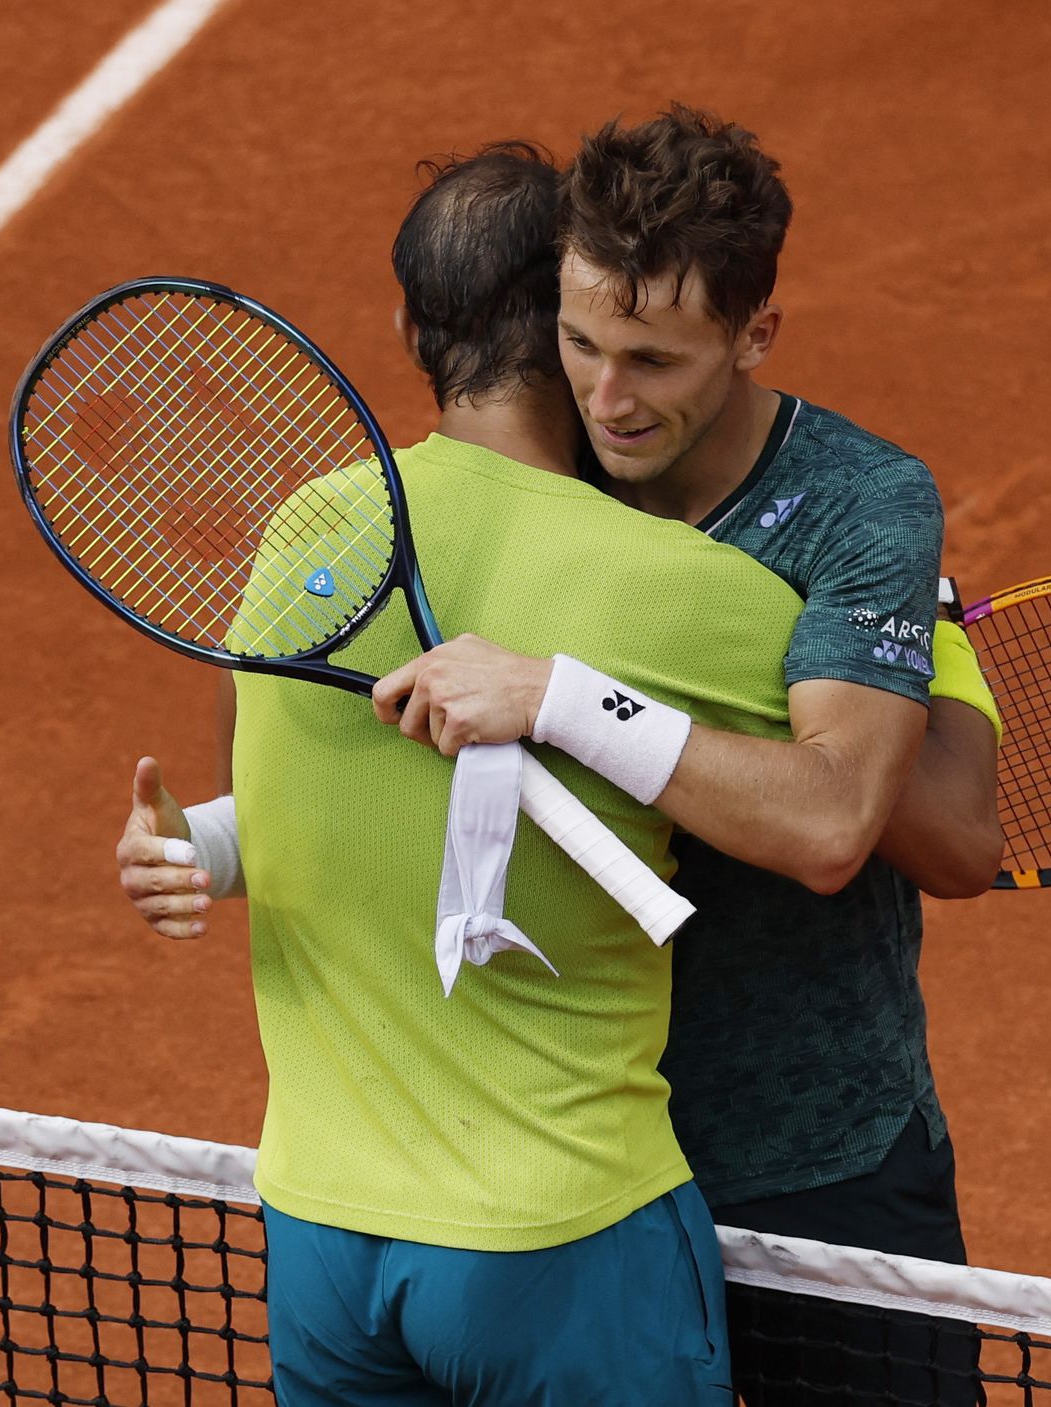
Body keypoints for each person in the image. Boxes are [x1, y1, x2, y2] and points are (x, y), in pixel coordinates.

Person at [119, 144, 810, 1405]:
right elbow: (849, 807)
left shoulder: (307, 532)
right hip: (558, 1234)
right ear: (569, 323)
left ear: (407, 326)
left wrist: (206, 847)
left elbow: (301, 805)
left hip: (325, 1243)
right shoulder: (698, 593)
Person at [381, 107, 1002, 1405]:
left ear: (754, 334)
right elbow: (415, 717)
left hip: (820, 1159)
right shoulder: (537, 462)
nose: (608, 398)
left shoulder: (857, 501)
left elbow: (845, 827)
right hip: (575, 1160)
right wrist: (216, 836)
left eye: (656, 360)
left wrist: (563, 692)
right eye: (582, 342)